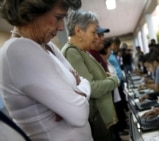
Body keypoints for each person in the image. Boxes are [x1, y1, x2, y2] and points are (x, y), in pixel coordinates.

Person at [0, 0, 93, 141]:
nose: (62, 27)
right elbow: (79, 114)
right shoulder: (17, 49)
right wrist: (77, 90)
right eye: (58, 17)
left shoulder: (47, 46)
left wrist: (79, 91)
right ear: (32, 12)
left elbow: (82, 80)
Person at [61, 10, 119, 141]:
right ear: (78, 31)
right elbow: (91, 88)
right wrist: (114, 81)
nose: (97, 37)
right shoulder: (72, 52)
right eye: (93, 32)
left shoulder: (82, 51)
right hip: (96, 120)